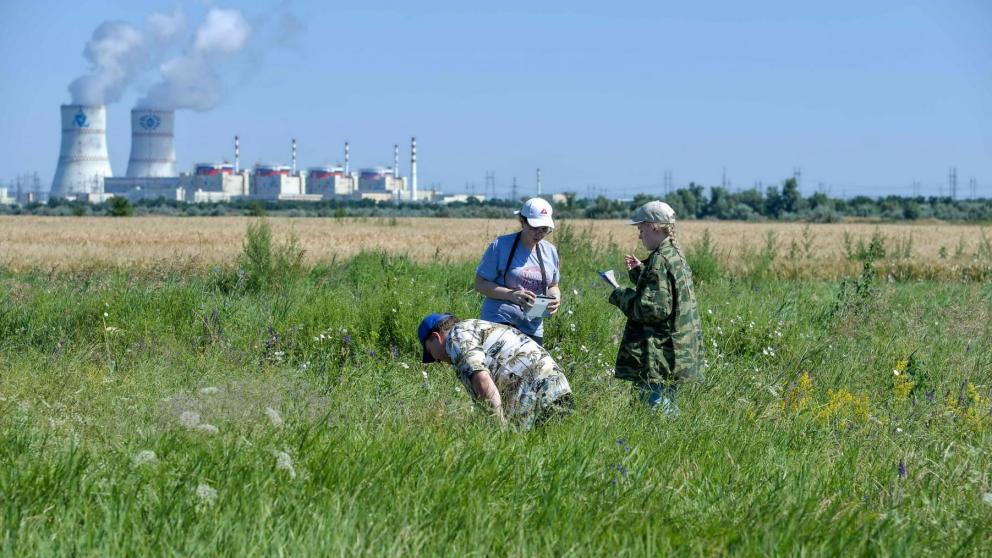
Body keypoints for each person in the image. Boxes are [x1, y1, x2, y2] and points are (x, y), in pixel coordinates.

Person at [607, 201, 703, 415]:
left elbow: (653, 309)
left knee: (656, 408)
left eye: (641, 230)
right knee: (665, 401)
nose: (640, 236)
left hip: (659, 350)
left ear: (654, 227)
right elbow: (667, 293)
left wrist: (620, 294)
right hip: (676, 348)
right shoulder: (675, 254)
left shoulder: (660, 260)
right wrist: (641, 272)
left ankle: (677, 443)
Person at [418, 313, 573, 428]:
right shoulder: (474, 327)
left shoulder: (456, 338)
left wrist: (499, 430)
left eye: (431, 354)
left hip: (536, 393)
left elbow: (482, 380)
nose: (438, 362)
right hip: (557, 387)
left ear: (436, 337)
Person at [474, 197, 561, 346]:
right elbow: (480, 284)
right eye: (534, 227)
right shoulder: (501, 245)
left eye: (544, 229)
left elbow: (553, 285)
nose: (539, 234)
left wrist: (555, 299)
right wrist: (511, 295)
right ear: (522, 221)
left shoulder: (550, 251)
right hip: (500, 320)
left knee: (531, 369)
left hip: (533, 326)